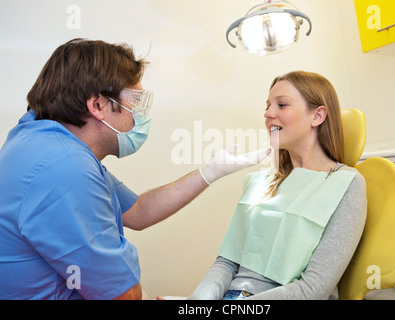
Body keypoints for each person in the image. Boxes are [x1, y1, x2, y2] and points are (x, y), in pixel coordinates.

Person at [0, 38, 270, 300]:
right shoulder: (66, 168)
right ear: (97, 105)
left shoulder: (44, 142)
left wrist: (210, 172)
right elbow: (123, 295)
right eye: (136, 101)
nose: (140, 114)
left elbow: (138, 211)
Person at [188, 71, 367, 300]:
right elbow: (227, 261)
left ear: (317, 116)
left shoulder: (346, 184)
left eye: (281, 105)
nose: (268, 114)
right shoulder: (261, 181)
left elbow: (313, 289)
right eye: (268, 106)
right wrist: (198, 302)